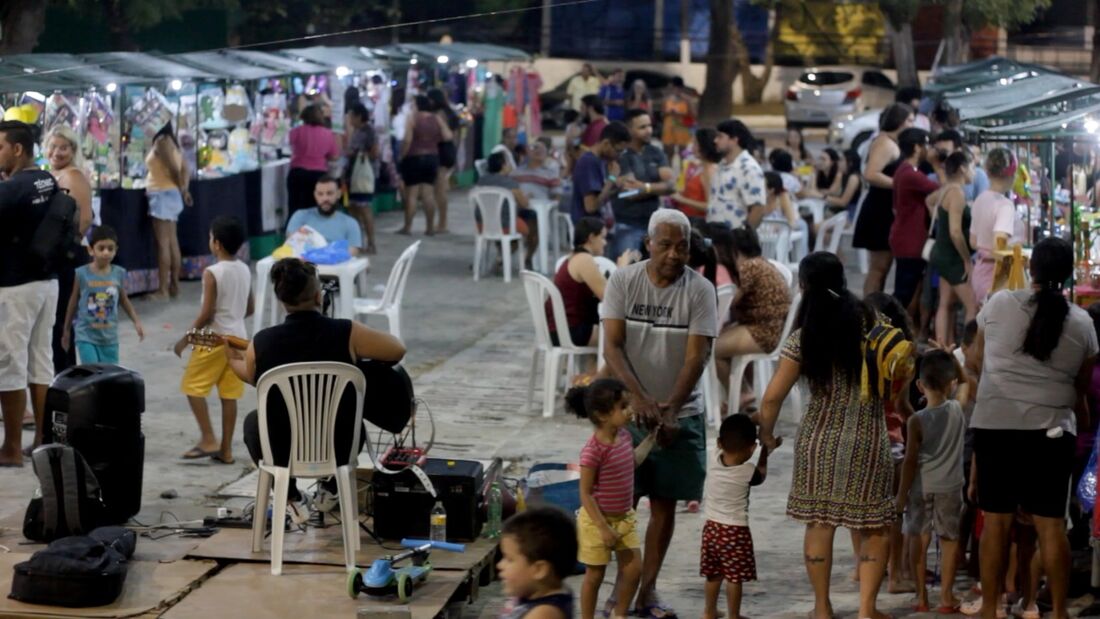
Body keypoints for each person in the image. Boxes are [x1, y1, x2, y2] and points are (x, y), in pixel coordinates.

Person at [757, 251, 895, 619]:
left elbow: (771, 399)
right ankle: (867, 609)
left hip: (819, 444)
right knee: (874, 527)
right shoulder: (874, 322)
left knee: (820, 523)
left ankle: (822, 607)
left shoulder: (805, 338)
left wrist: (766, 440)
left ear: (804, 287)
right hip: (868, 439)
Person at [969, 237, 1097, 619]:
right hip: (1051, 431)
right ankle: (1057, 611)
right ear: (1068, 274)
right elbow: (1080, 386)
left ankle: (990, 608)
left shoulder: (1000, 303)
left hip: (996, 425)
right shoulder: (1081, 322)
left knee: (997, 525)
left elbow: (975, 358)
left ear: (1032, 269)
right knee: (1051, 527)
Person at [602, 209, 718, 618]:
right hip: (627, 412)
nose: (673, 254)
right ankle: (621, 588)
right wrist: (641, 401)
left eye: (681, 246)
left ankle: (647, 590)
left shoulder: (700, 290)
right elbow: (612, 347)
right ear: (648, 243)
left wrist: (669, 409)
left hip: (680, 410)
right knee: (622, 504)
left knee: (665, 505)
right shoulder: (623, 281)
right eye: (665, 244)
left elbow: (697, 356)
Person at [223, 258, 405, 511]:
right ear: (319, 297)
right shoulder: (347, 332)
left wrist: (232, 360)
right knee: (355, 424)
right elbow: (397, 350)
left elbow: (255, 378)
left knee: (254, 423)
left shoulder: (261, 342)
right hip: (337, 446)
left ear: (281, 299)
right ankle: (330, 489)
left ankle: (289, 496)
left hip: (284, 449)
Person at [0, 120, 65, 464]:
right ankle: (41, 440)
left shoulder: (12, 189)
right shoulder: (47, 180)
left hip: (15, 286)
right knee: (41, 362)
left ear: (17, 149)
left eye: (0, 148)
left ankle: (11, 448)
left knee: (9, 364)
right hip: (47, 282)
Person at [567, 378, 651, 619]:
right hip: (597, 522)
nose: (630, 410)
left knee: (634, 569)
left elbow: (632, 461)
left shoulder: (624, 436)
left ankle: (620, 613)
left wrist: (651, 439)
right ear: (602, 415)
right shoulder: (593, 451)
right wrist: (603, 527)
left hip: (624, 518)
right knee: (595, 575)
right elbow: (585, 493)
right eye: (623, 406)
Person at [173, 216, 253, 465]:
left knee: (192, 386)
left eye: (210, 237)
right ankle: (226, 450)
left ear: (216, 244)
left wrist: (186, 338)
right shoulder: (244, 268)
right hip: (239, 338)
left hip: (215, 338)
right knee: (229, 395)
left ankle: (208, 438)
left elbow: (207, 313)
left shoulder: (212, 273)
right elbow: (250, 307)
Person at [896, 349, 971, 614]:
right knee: (949, 539)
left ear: (920, 385)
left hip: (921, 488)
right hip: (950, 487)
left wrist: (900, 496)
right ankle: (947, 598)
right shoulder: (957, 410)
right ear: (950, 383)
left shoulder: (917, 420)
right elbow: (965, 383)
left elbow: (910, 462)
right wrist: (952, 359)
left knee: (919, 537)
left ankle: (922, 597)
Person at [700, 415, 773, 619]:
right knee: (734, 578)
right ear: (751, 449)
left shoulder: (713, 457)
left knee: (713, 574)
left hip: (711, 529)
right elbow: (762, 473)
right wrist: (766, 450)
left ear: (719, 443)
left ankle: (709, 611)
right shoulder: (747, 471)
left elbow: (730, 431)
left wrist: (748, 420)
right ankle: (734, 615)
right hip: (734, 531)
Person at [712, 226, 791, 413]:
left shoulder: (749, 267)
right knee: (727, 337)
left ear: (734, 250)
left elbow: (731, 300)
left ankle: (740, 394)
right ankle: (743, 395)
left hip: (764, 333)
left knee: (712, 348)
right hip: (773, 329)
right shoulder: (762, 263)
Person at [45, 126, 94, 373]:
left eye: (63, 147)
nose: (57, 152)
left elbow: (84, 220)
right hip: (58, 256)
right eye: (53, 146)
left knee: (62, 322)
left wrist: (62, 248)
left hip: (68, 257)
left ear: (73, 150)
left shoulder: (73, 176)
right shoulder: (52, 174)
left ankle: (65, 375)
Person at [853, 103, 914, 296]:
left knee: (882, 267)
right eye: (910, 120)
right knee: (878, 268)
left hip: (885, 209)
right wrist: (899, 183)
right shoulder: (885, 143)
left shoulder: (891, 142)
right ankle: (870, 311)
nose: (912, 124)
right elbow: (871, 174)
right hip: (880, 211)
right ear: (899, 122)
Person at [61, 225, 143, 365]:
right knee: (92, 374)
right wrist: (66, 330)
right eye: (101, 248)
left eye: (110, 249)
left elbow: (124, 299)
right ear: (91, 250)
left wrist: (136, 321)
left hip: (109, 338)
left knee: (108, 379)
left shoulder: (118, 273)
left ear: (116, 250)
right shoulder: (81, 274)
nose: (106, 253)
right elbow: (73, 302)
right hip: (86, 336)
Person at [547, 217, 635, 348]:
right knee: (628, 337)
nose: (605, 243)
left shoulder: (572, 257)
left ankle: (592, 368)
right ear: (592, 237)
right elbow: (609, 297)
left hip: (561, 329)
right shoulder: (584, 260)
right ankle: (598, 369)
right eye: (602, 238)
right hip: (570, 332)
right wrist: (621, 269)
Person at [928, 151, 977, 347]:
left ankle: (943, 347)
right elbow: (955, 232)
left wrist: (941, 218)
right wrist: (967, 260)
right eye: (973, 167)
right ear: (963, 168)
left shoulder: (945, 189)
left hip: (941, 252)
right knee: (972, 305)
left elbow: (928, 201)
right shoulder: (957, 193)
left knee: (945, 304)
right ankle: (967, 351)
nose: (974, 172)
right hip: (952, 256)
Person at [610, 110, 674, 258]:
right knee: (627, 274)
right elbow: (631, 193)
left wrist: (645, 187)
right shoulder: (621, 155)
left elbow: (671, 186)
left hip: (653, 226)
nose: (649, 130)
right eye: (642, 127)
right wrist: (658, 187)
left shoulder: (656, 152)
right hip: (627, 225)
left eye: (650, 126)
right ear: (629, 130)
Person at [888, 127, 938, 310]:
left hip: (904, 236)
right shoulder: (911, 174)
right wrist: (938, 165)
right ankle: (885, 327)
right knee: (903, 292)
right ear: (917, 147)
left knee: (904, 290)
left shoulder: (904, 170)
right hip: (910, 239)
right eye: (926, 145)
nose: (929, 149)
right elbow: (939, 188)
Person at [498, 507, 578, 619]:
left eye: (509, 559)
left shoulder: (544, 613)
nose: (500, 565)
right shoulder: (532, 593)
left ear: (539, 570)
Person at [146, 123, 193, 300]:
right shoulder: (172, 142)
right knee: (172, 242)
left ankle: (163, 290)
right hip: (170, 193)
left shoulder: (161, 141)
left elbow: (174, 168)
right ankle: (174, 286)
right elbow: (185, 168)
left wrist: (182, 188)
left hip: (161, 194)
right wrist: (183, 188)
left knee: (163, 244)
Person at [969, 148, 1018, 304]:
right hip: (996, 276)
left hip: (979, 271)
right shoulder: (1004, 205)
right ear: (1012, 174)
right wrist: (1019, 254)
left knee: (984, 325)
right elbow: (999, 245)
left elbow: (973, 242)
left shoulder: (980, 199)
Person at [398, 95, 452, 236]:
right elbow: (448, 136)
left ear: (418, 105)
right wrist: (433, 139)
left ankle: (407, 227)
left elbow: (408, 139)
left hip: (414, 158)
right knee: (428, 194)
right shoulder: (436, 118)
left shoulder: (412, 118)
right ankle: (429, 228)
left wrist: (402, 155)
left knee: (412, 194)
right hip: (432, 158)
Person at [477, 152, 538, 267]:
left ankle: (502, 255)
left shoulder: (481, 181)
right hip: (505, 225)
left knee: (510, 222)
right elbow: (524, 204)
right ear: (503, 165)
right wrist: (526, 197)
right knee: (532, 222)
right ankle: (527, 258)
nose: (511, 165)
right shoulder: (510, 183)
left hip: (482, 225)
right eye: (508, 162)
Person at [709, 120, 766, 230]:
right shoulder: (721, 165)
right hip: (717, 236)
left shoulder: (749, 168)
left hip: (736, 239)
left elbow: (758, 208)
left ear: (734, 140)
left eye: (720, 137)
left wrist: (745, 237)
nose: (715, 141)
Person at [570, 122, 631, 223]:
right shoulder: (589, 162)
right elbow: (591, 206)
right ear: (606, 143)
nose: (619, 156)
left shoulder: (600, 161)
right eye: (618, 151)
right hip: (588, 230)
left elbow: (601, 194)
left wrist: (617, 189)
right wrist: (612, 179)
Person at [285, 176, 363, 254]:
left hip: (337, 265)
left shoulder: (351, 223)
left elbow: (351, 254)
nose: (325, 198)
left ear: (339, 194)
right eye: (320, 194)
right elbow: (292, 246)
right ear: (315, 195)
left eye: (330, 193)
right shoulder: (300, 216)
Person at [287, 104, 339, 219]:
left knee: (295, 209)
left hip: (297, 174)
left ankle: (294, 234)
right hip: (318, 176)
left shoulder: (295, 132)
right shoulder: (328, 134)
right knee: (317, 210)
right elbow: (334, 156)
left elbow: (286, 145)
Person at [344, 103, 379, 254]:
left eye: (351, 116)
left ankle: (371, 243)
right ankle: (358, 242)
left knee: (364, 209)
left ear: (359, 116)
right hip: (353, 176)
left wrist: (359, 155)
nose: (349, 119)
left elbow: (375, 152)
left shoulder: (368, 131)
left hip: (363, 176)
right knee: (354, 209)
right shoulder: (357, 131)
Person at [429, 88, 460, 235]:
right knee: (441, 187)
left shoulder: (439, 114)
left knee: (440, 189)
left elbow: (442, 133)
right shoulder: (450, 112)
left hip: (441, 150)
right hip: (449, 150)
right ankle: (442, 222)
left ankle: (442, 223)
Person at [671, 128, 719, 220]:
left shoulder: (709, 171)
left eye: (695, 144)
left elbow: (710, 206)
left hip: (698, 221)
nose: (692, 148)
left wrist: (682, 199)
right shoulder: (699, 166)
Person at [931, 129, 989, 202]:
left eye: (945, 152)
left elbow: (982, 206)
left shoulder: (977, 175)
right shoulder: (932, 178)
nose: (941, 156)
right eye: (939, 152)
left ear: (958, 151)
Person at [661, 77, 695, 162]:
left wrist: (680, 113)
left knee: (682, 153)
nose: (671, 90)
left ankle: (682, 173)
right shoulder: (666, 99)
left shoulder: (687, 99)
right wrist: (667, 112)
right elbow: (661, 114)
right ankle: (669, 173)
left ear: (679, 87)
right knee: (668, 152)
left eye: (672, 87)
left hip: (681, 127)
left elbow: (694, 114)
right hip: (669, 128)